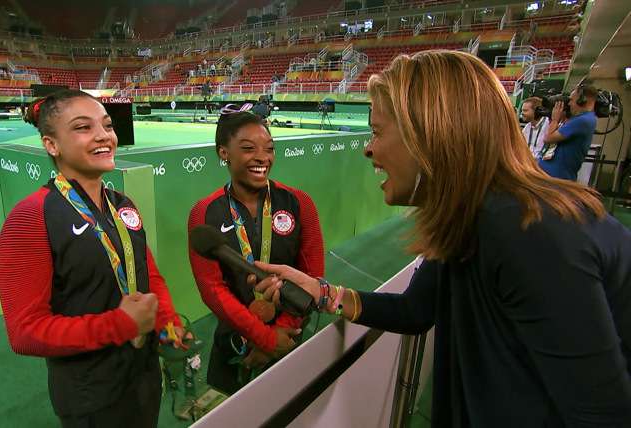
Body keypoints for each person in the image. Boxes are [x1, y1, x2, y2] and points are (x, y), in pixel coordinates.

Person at [252, 50, 631, 427]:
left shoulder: (528, 231)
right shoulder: (473, 216)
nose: (368, 147)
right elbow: (415, 311)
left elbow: (601, 416)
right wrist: (322, 293)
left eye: (378, 131)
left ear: (430, 135)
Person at [0, 89, 188, 428]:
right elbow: (25, 332)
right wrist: (122, 324)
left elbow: (146, 274)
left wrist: (165, 322)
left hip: (143, 375)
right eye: (83, 127)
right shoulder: (30, 217)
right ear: (51, 145)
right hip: (91, 394)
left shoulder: (122, 203)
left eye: (107, 125)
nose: (103, 136)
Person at [187, 103, 325, 394]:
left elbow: (312, 275)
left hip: (291, 333)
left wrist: (281, 334)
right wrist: (264, 337)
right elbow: (212, 289)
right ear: (224, 151)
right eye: (249, 148)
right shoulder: (204, 212)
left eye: (269, 148)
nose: (262, 158)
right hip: (237, 339)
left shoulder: (300, 203)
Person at [538, 83, 598, 181]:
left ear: (582, 100)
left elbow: (548, 138)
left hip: (557, 178)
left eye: (572, 100)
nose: (569, 104)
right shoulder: (582, 118)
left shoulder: (583, 120)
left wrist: (555, 119)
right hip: (550, 175)